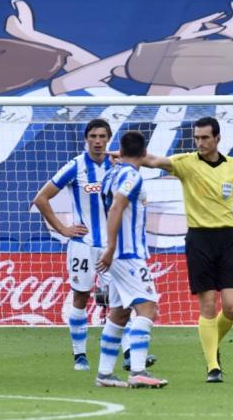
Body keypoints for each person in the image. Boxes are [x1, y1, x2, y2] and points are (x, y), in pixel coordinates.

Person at [135, 116, 233, 383]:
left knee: (231, 307)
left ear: (217, 138)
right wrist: (125, 154)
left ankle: (211, 342)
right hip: (199, 240)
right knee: (207, 306)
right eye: (197, 137)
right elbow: (152, 161)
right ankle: (212, 367)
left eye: (205, 137)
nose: (200, 142)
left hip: (228, 240)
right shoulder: (186, 163)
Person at [33, 119, 113, 371]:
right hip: (82, 244)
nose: (98, 141)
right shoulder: (75, 166)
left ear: (108, 138)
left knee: (120, 299)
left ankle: (131, 352)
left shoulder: (118, 165)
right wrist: (62, 229)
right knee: (81, 296)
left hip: (113, 245)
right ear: (86, 138)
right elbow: (41, 198)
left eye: (102, 136)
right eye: (93, 136)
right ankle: (80, 355)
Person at [95, 131, 168, 389]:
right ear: (144, 151)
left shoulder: (111, 173)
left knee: (119, 313)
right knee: (148, 309)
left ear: (121, 150)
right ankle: (138, 371)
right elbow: (117, 206)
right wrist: (113, 246)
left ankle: (104, 374)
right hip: (127, 254)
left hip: (115, 256)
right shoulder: (131, 176)